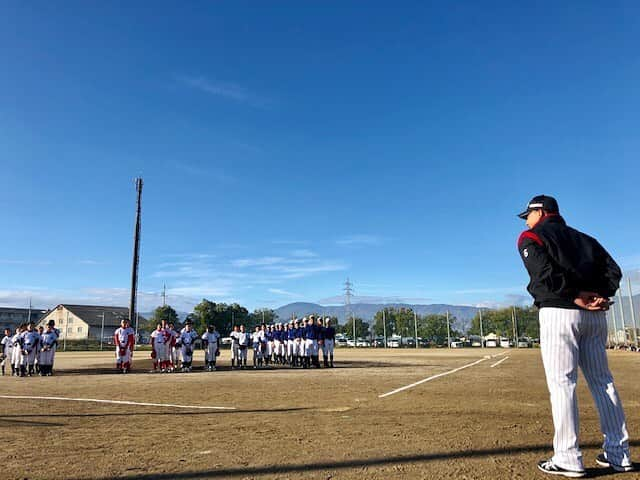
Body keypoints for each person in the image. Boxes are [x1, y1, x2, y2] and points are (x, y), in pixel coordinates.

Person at [517, 195, 634, 477]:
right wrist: (600, 295)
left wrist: (576, 296)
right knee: (602, 381)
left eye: (528, 214)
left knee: (562, 384)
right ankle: (620, 455)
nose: (526, 220)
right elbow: (613, 271)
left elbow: (543, 275)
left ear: (541, 212)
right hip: (595, 317)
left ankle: (568, 458)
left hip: (560, 312)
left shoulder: (530, 236)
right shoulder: (586, 239)